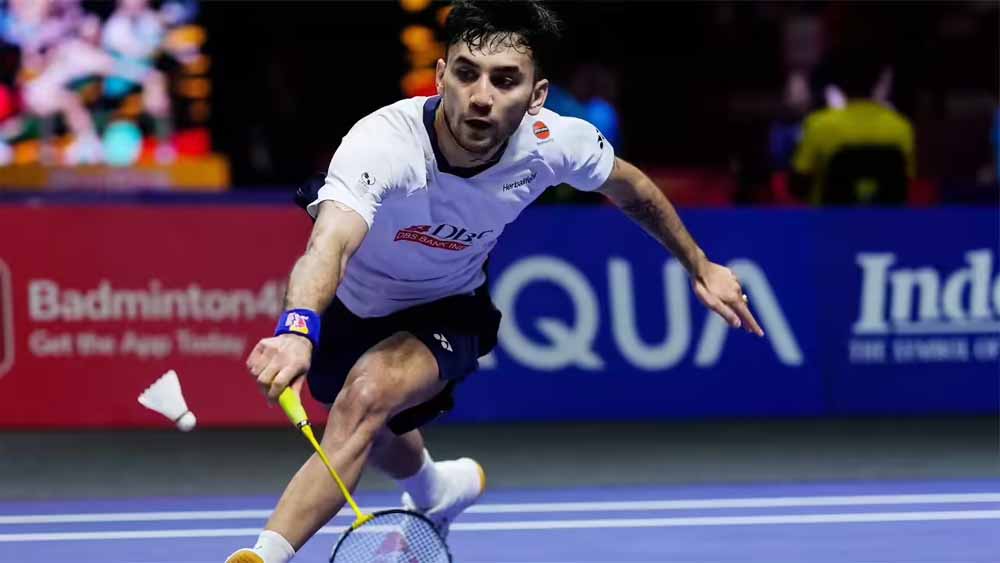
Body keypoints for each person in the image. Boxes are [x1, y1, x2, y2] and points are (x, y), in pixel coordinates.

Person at [226, 2, 763, 562]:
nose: (481, 96)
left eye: (505, 80)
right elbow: (329, 244)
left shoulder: (553, 142)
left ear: (536, 95)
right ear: (441, 76)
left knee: (364, 399)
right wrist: (296, 329)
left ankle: (262, 556)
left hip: (447, 306)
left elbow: (632, 189)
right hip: (353, 306)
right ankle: (437, 488)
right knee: (375, 429)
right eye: (467, 73)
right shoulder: (384, 143)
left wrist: (700, 264)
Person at [790, 47, 916, 205]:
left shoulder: (818, 125)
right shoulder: (901, 127)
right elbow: (907, 183)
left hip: (830, 219)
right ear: (877, 83)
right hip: (886, 220)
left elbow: (798, 186)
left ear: (839, 84)